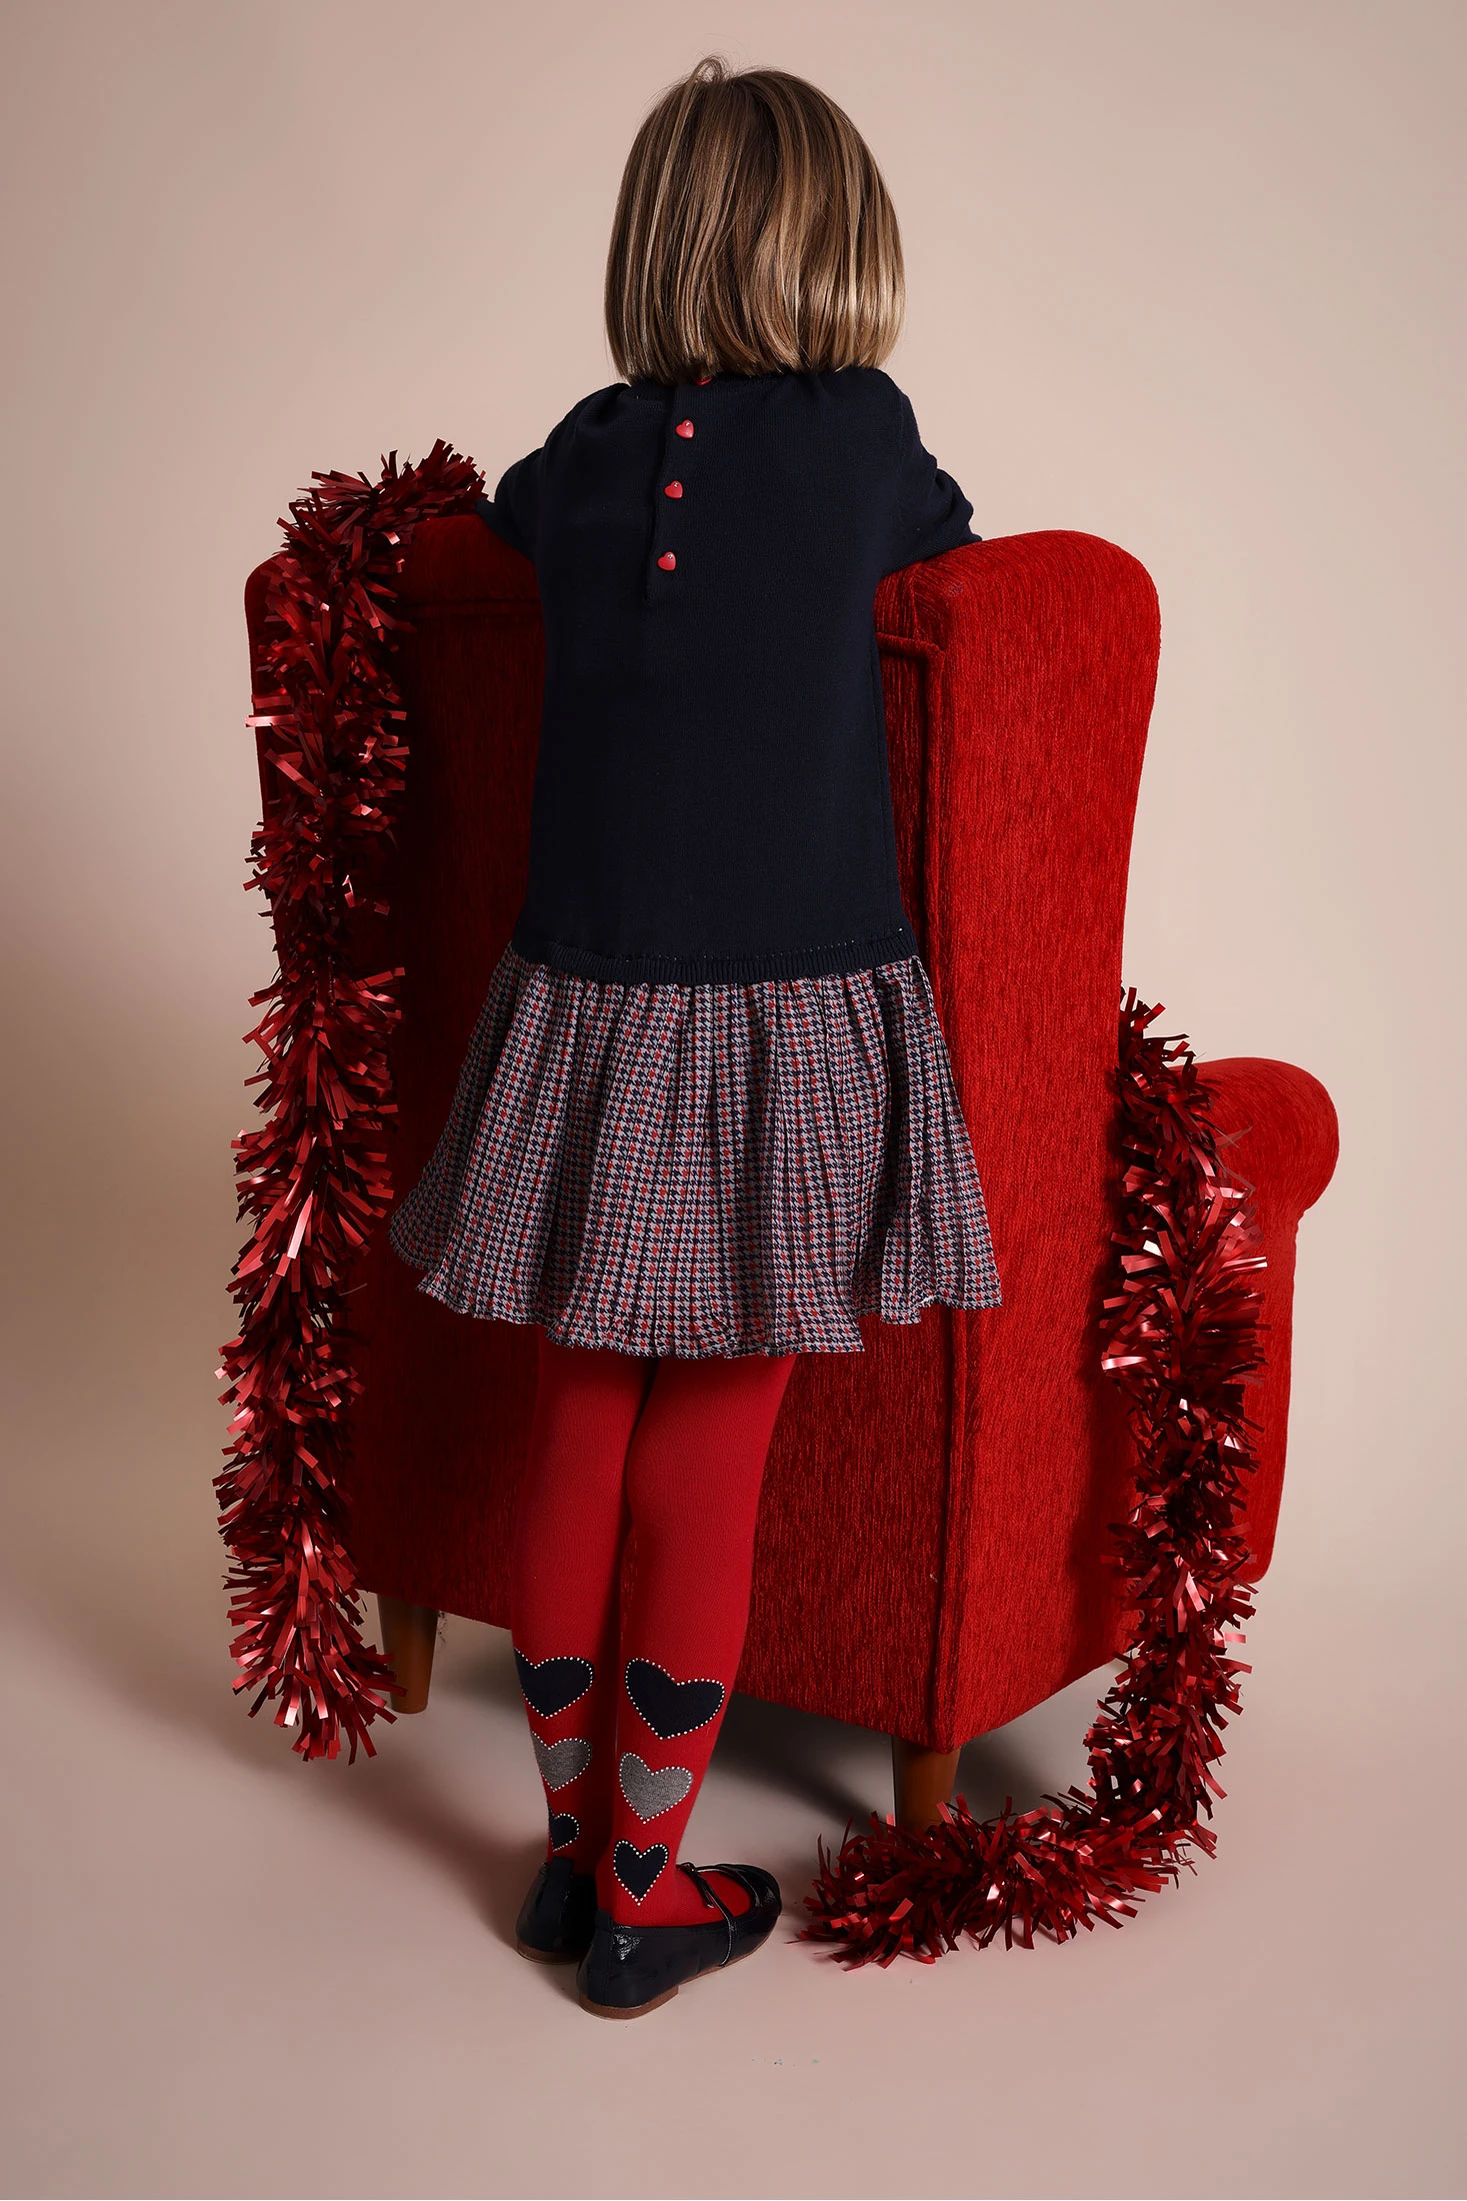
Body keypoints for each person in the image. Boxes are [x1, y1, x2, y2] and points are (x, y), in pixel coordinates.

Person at [389, 54, 1001, 2018]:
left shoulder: (581, 456)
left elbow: (497, 522)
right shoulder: (862, 441)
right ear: (836, 249)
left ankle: (571, 1861)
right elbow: (955, 550)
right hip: (779, 1019)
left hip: (580, 1012)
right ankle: (648, 1890)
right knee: (710, 1455)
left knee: (581, 1417)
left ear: (653, 249)